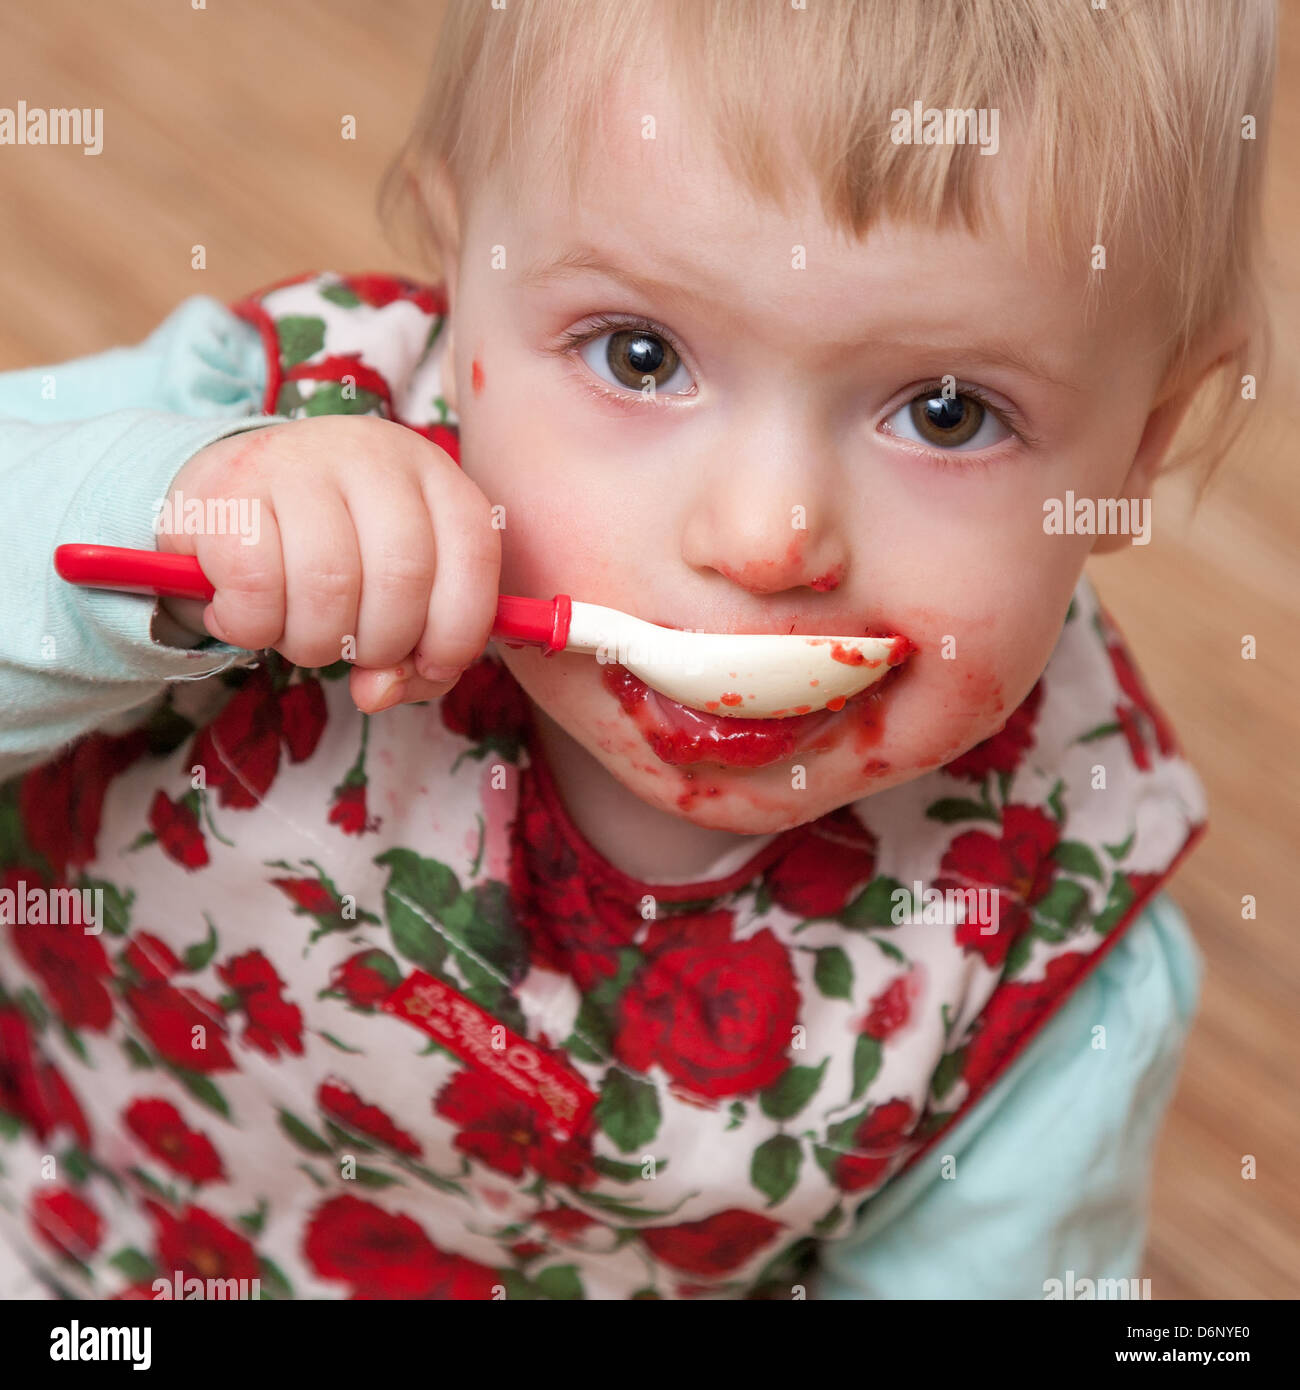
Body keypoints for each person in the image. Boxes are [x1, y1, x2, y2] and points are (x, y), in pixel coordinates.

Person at [0, 0, 1276, 1299]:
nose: (767, 538)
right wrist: (170, 516)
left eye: (948, 413)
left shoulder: (1046, 963)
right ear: (463, 252)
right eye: (640, 353)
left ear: (1142, 440)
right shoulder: (266, 430)